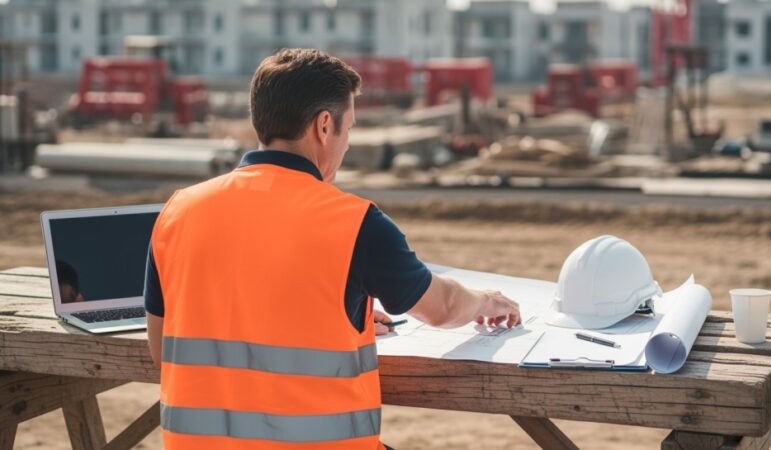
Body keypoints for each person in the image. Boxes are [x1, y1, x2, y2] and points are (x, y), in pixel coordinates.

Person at [144, 48, 520, 450]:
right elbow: (442, 308)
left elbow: (161, 350)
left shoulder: (179, 211)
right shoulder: (356, 223)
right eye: (349, 129)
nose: (345, 144)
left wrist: (333, 319)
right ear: (324, 126)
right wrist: (484, 301)